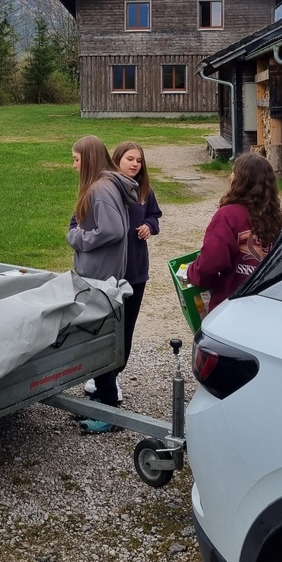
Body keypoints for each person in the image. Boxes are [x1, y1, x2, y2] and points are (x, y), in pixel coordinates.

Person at [66, 135, 137, 432]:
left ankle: (109, 413)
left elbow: (113, 230)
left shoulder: (100, 189)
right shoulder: (105, 186)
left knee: (100, 342)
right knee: (99, 339)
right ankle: (102, 403)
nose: (74, 165)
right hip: (102, 275)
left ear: (89, 159)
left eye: (76, 159)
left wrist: (78, 238)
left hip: (100, 279)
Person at [84, 141, 162, 405]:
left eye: (139, 160)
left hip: (136, 271)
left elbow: (155, 216)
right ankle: (100, 375)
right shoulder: (106, 190)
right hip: (109, 273)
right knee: (104, 327)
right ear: (116, 159)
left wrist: (149, 226)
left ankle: (114, 374)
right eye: (130, 159)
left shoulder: (144, 190)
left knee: (126, 327)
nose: (135, 164)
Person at [186, 152, 282, 309]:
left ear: (241, 180)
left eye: (233, 172)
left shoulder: (227, 216)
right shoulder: (276, 218)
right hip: (267, 302)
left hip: (232, 304)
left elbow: (212, 261)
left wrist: (193, 272)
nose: (230, 176)